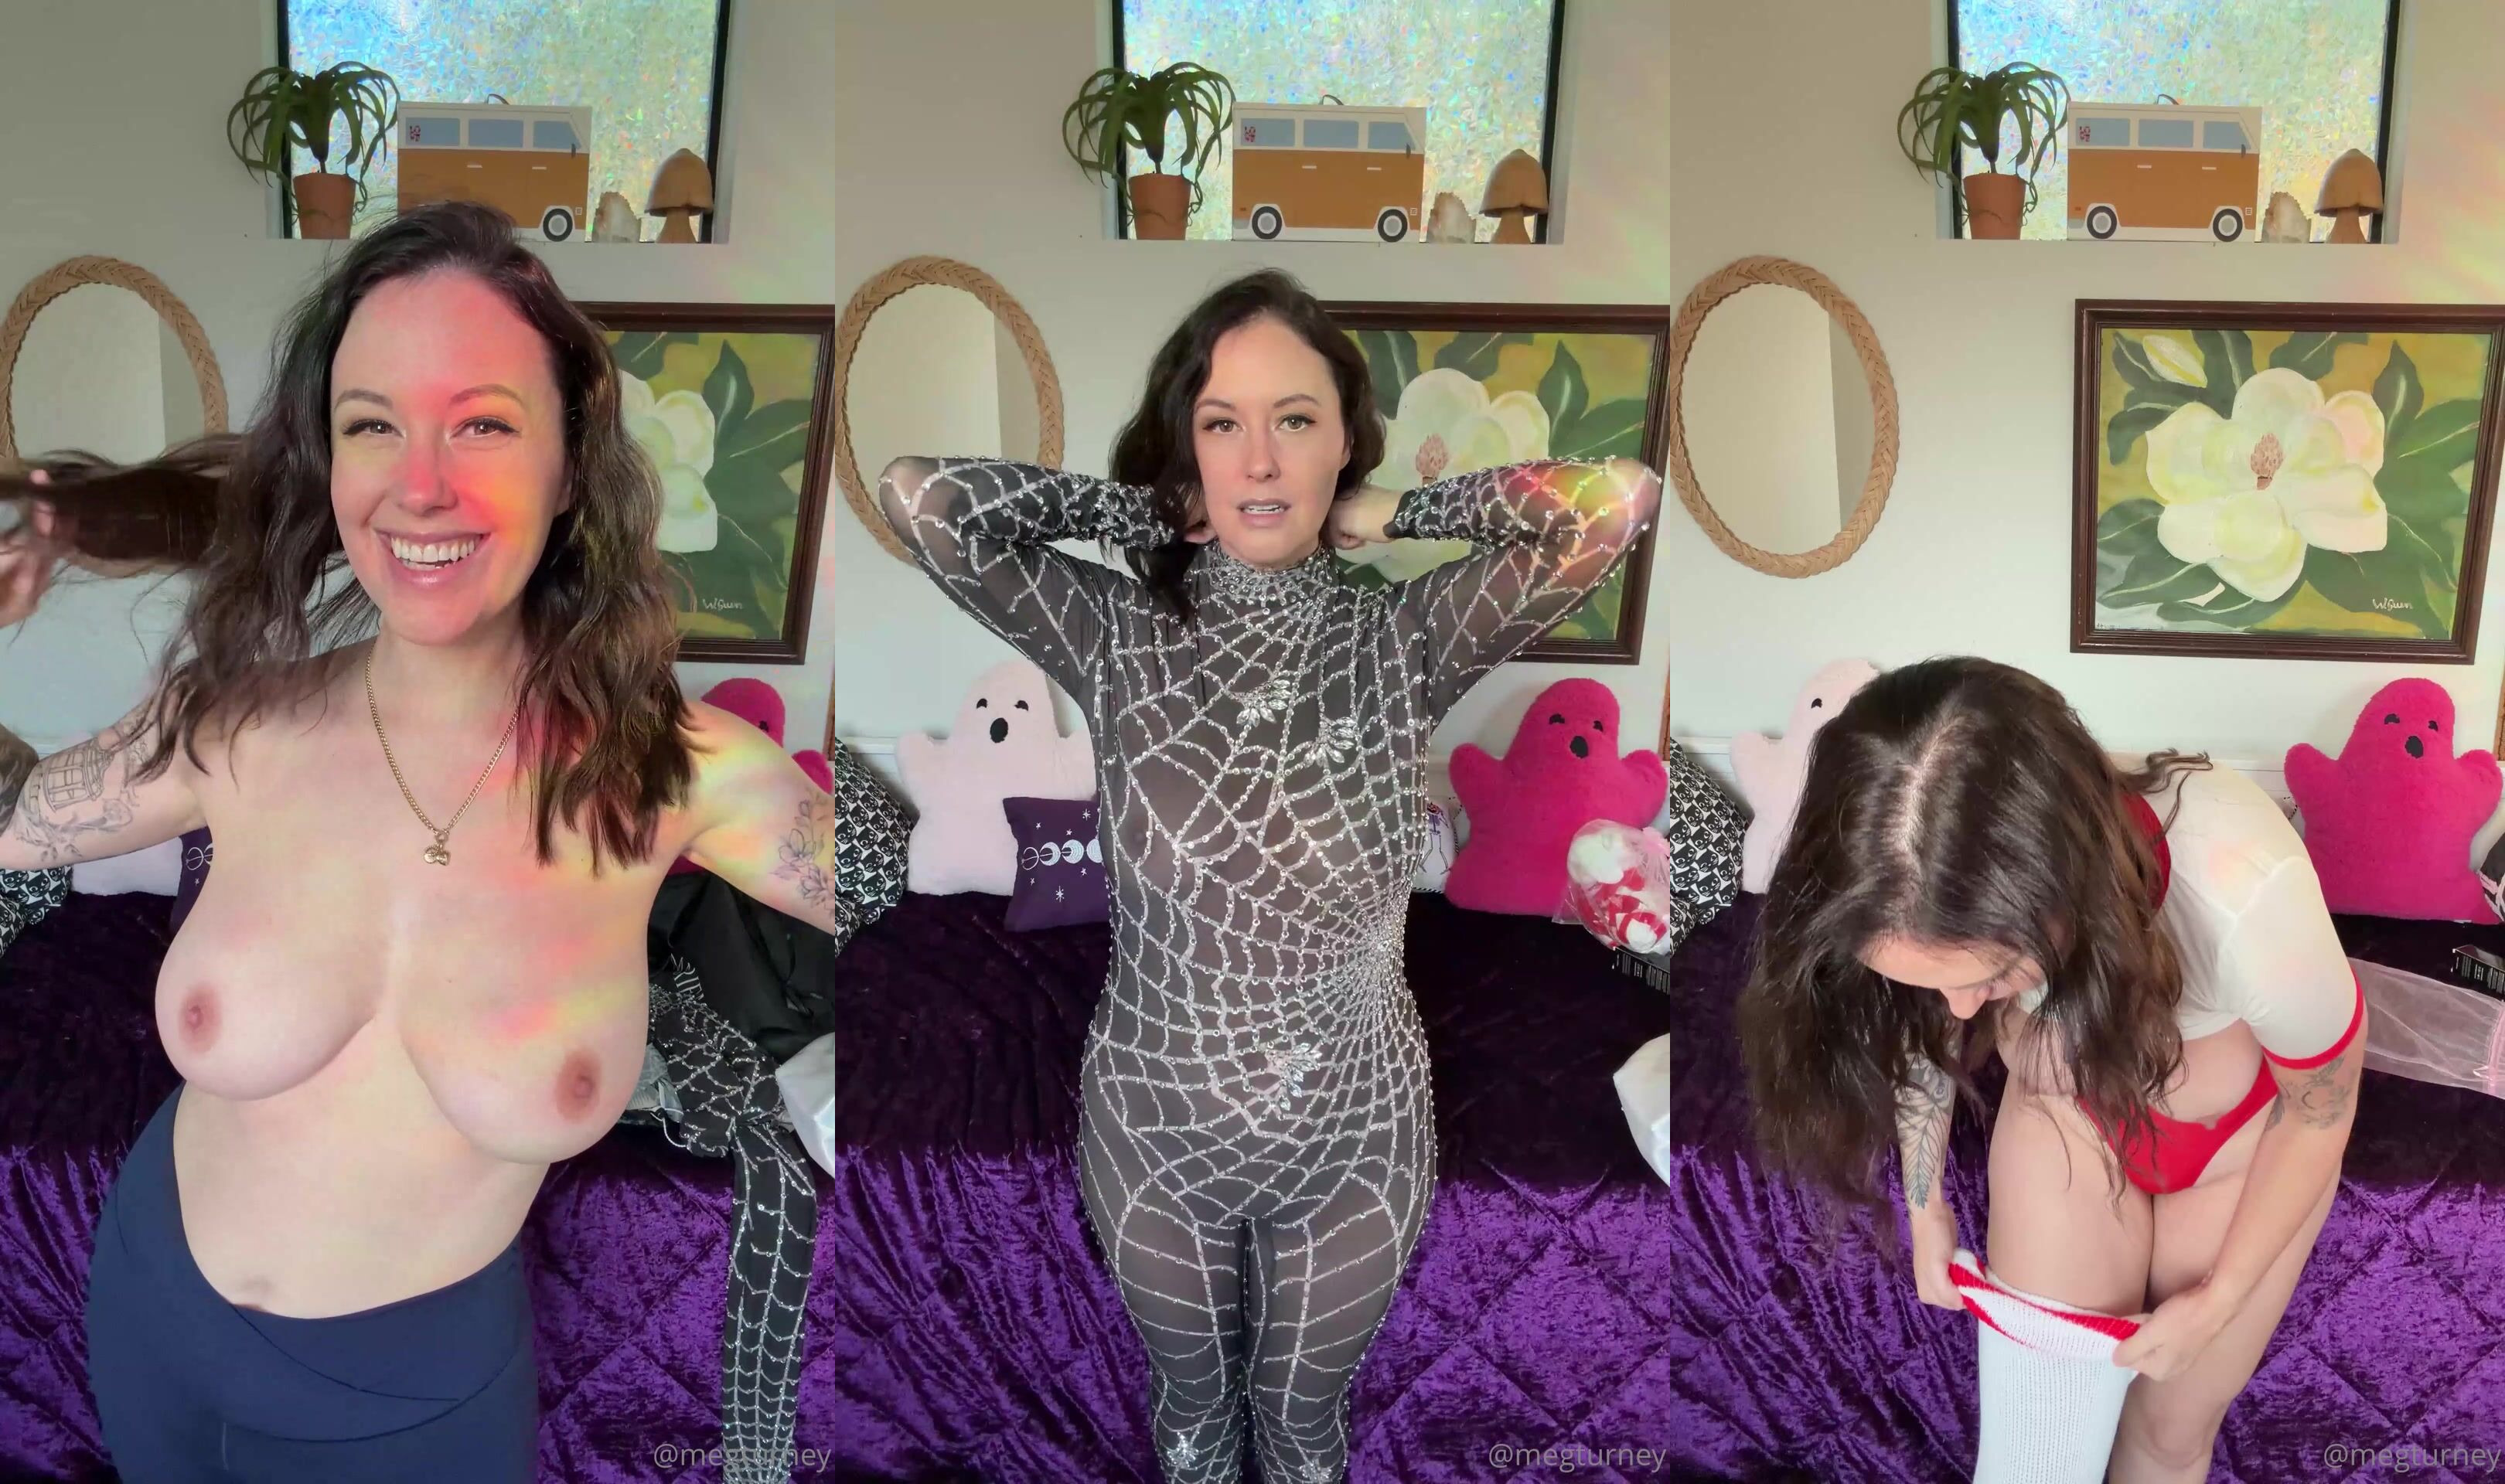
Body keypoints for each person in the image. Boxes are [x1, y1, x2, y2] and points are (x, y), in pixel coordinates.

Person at [0, 201, 877, 1482]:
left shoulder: (678, 772)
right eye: (374, 426)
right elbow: (19, 828)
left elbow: (890, 895)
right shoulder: (233, 723)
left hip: (417, 1406)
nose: (421, 485)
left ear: (571, 466)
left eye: (482, 424)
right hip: (153, 1302)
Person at [878, 267, 1661, 1483]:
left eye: (1295, 420)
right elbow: (918, 497)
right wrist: (1151, 511)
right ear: (1187, 446)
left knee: (1302, 1436)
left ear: (1344, 441)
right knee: (1193, 1429)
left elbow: (1617, 501)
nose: (1258, 460)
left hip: (1360, 1136)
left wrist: (1391, 513)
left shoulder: (1405, 637)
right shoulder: (1114, 631)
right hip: (1154, 1128)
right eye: (1220, 423)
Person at [1738, 656, 2364, 1484]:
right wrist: (1925, 1207)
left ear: (2067, 890)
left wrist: (2219, 1303)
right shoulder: (1912, 881)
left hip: (2233, 1157)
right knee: (2037, 1455)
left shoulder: (2242, 887)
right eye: (1929, 981)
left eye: (1995, 976)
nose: (1963, 1010)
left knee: (2165, 1440)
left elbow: (2321, 1110)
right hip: (2069, 1123)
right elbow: (1925, 1028)